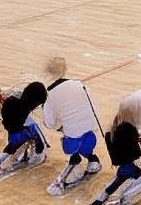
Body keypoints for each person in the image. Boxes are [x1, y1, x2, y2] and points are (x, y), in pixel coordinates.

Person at [42, 57, 103, 195]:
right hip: (91, 128)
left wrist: (60, 127)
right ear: (65, 69)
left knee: (71, 143)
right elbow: (93, 106)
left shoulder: (49, 94)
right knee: (84, 138)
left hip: (73, 136)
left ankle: (75, 160)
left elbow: (49, 123)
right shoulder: (79, 84)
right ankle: (92, 159)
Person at [0, 81, 49, 178]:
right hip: (16, 123)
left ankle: (28, 153)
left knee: (24, 137)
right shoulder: (22, 107)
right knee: (23, 140)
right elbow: (17, 125)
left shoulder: (19, 98)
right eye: (37, 104)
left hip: (13, 122)